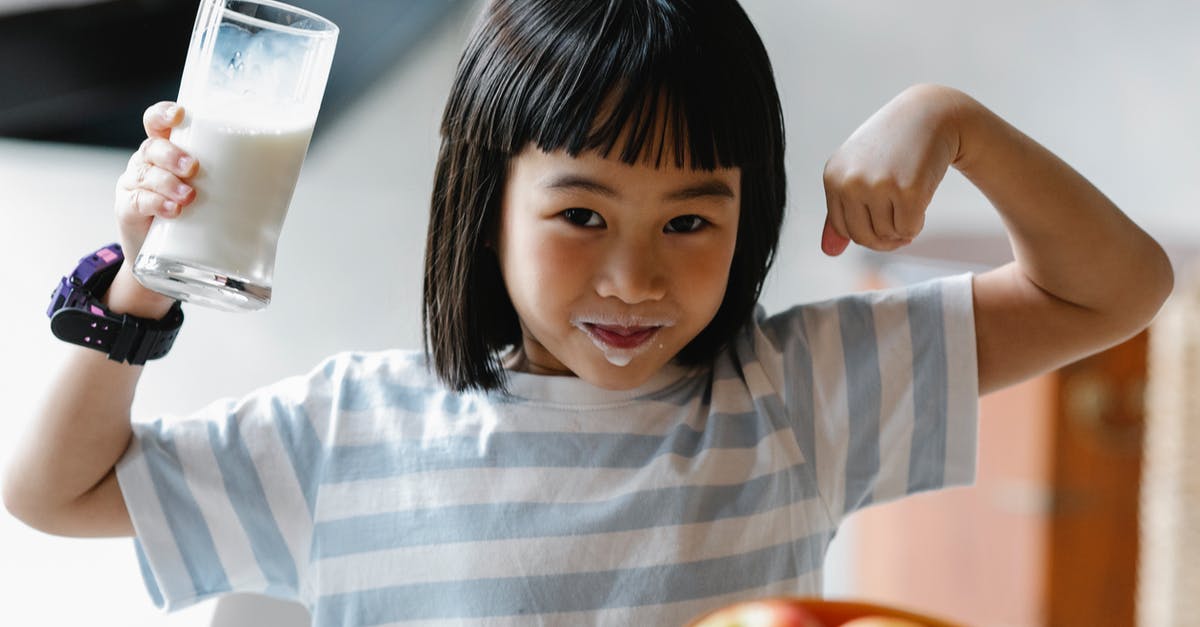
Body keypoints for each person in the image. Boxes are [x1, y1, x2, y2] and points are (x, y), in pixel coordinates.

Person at [3, 0, 1173, 624]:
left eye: (689, 221)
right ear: (486, 202)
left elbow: (1117, 287)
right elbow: (53, 492)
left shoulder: (799, 393)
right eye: (581, 216)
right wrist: (145, 281)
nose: (634, 281)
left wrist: (950, 117)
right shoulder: (350, 428)